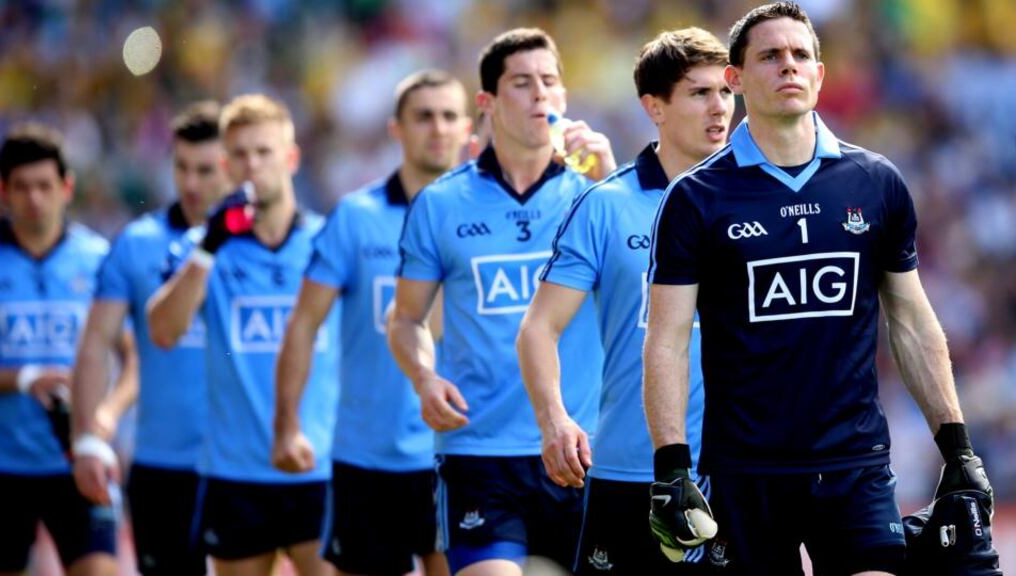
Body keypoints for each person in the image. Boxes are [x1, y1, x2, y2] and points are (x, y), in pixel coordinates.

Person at [643, 3, 994, 575]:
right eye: (770, 56)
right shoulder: (694, 198)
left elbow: (909, 319)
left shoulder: (876, 181)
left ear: (820, 74)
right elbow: (667, 339)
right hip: (744, 473)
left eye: (801, 55)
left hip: (854, 464)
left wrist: (956, 446)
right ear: (735, 80)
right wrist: (672, 467)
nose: (789, 66)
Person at [388, 27, 616, 576]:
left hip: (586, 447)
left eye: (550, 81)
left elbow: (644, 298)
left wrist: (612, 182)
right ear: (487, 103)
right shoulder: (440, 204)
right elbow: (406, 319)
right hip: (479, 451)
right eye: (522, 82)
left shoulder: (598, 195)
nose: (540, 94)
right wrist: (424, 378)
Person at [517, 28, 733, 575]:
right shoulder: (605, 207)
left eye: (727, 92)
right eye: (699, 93)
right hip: (630, 474)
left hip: (738, 472)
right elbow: (538, 329)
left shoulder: (759, 200)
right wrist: (555, 420)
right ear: (653, 107)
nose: (719, 108)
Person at [272, 69, 470, 576]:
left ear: (467, 130)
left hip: (461, 451)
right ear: (395, 130)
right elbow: (303, 323)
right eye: (423, 116)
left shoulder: (486, 222)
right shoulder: (355, 218)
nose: (437, 128)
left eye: (449, 116)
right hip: (368, 456)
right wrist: (288, 423)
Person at [147, 94, 338, 576]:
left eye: (265, 151)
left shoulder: (328, 241)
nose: (253, 165)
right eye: (241, 155)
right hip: (236, 473)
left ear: (291, 158)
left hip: (319, 467)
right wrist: (210, 245)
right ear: (227, 166)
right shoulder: (202, 248)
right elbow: (163, 331)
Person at [70, 101, 229, 576]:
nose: (192, 183)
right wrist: (90, 438)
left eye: (207, 169)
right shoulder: (137, 243)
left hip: (247, 462)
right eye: (182, 167)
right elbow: (97, 343)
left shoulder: (265, 244)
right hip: (164, 465)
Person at [0, 123, 124, 575]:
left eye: (45, 186)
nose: (35, 199)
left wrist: (103, 420)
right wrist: (26, 380)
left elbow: (134, 357)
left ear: (67, 188)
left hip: (76, 459)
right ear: (2, 190)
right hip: (1, 463)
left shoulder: (98, 258)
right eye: (23, 187)